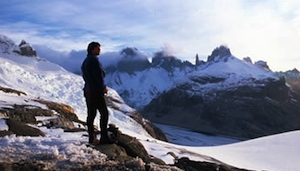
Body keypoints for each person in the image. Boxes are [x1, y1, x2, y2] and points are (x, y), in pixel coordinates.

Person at [81, 41, 112, 144]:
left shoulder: (85, 61)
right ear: (92, 49)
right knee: (104, 113)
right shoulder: (94, 60)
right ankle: (104, 137)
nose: (100, 50)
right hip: (96, 91)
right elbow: (98, 76)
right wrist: (103, 87)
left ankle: (91, 137)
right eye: (98, 48)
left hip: (88, 91)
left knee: (91, 114)